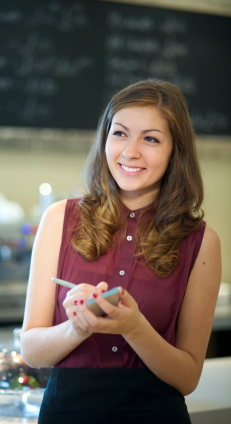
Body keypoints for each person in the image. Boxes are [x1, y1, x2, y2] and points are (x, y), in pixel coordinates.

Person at [21, 80, 221, 424]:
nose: (130, 152)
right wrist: (79, 327)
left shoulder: (202, 242)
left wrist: (134, 327)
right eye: (120, 133)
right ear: (104, 139)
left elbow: (187, 378)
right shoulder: (58, 219)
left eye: (151, 139)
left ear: (177, 149)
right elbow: (32, 351)